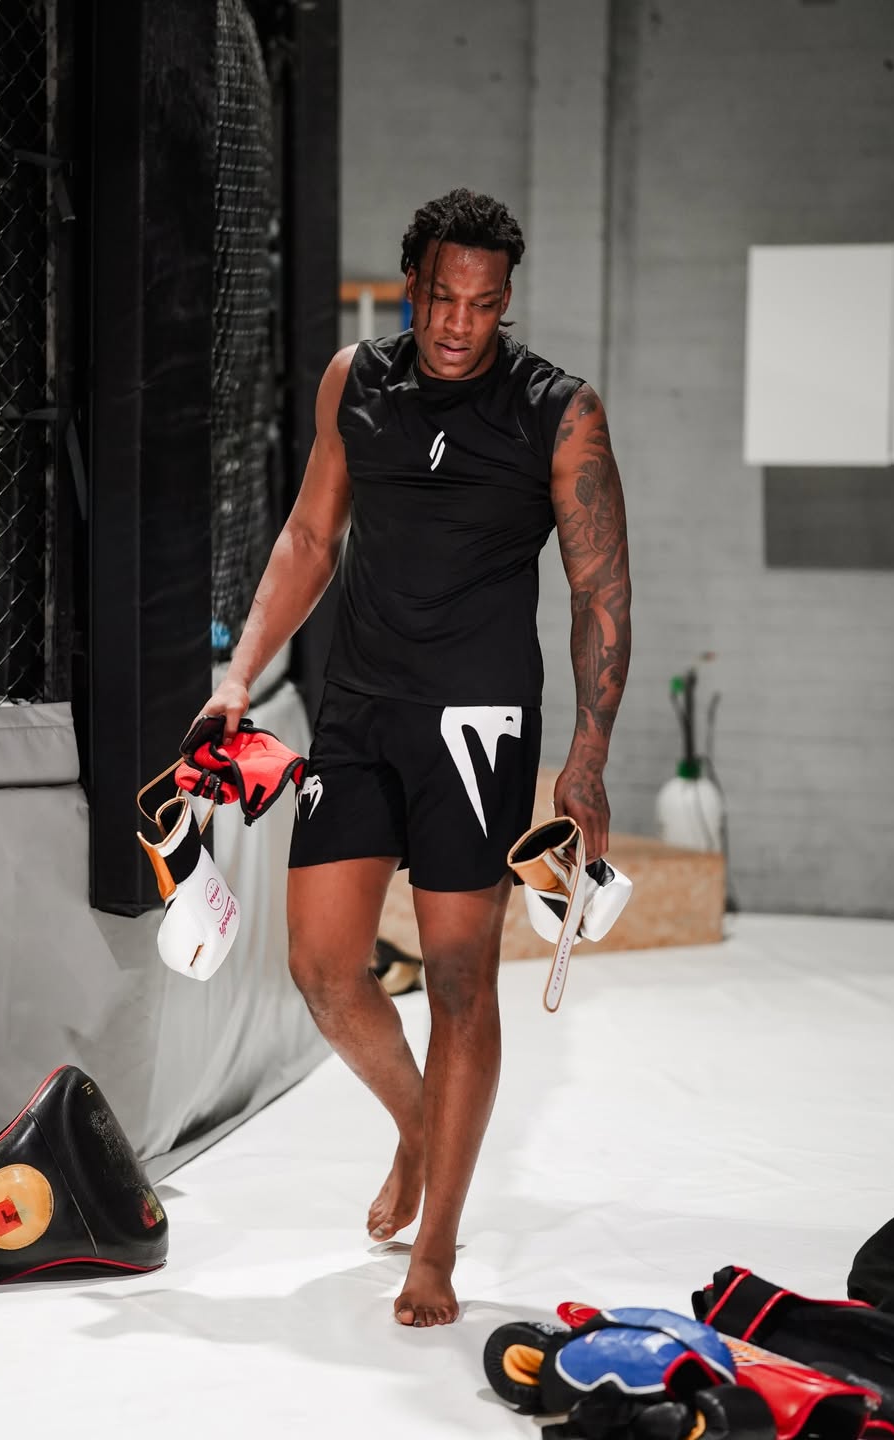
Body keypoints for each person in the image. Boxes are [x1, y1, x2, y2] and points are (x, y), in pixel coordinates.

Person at [195, 188, 631, 1327]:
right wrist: (240, 673)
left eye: (483, 305)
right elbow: (310, 534)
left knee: (458, 983)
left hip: (478, 728)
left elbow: (599, 592)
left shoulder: (558, 411)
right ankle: (417, 1126)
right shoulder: (357, 382)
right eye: (443, 298)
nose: (458, 323)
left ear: (506, 301)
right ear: (412, 285)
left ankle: (435, 1247)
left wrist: (586, 756)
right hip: (359, 712)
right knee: (323, 969)